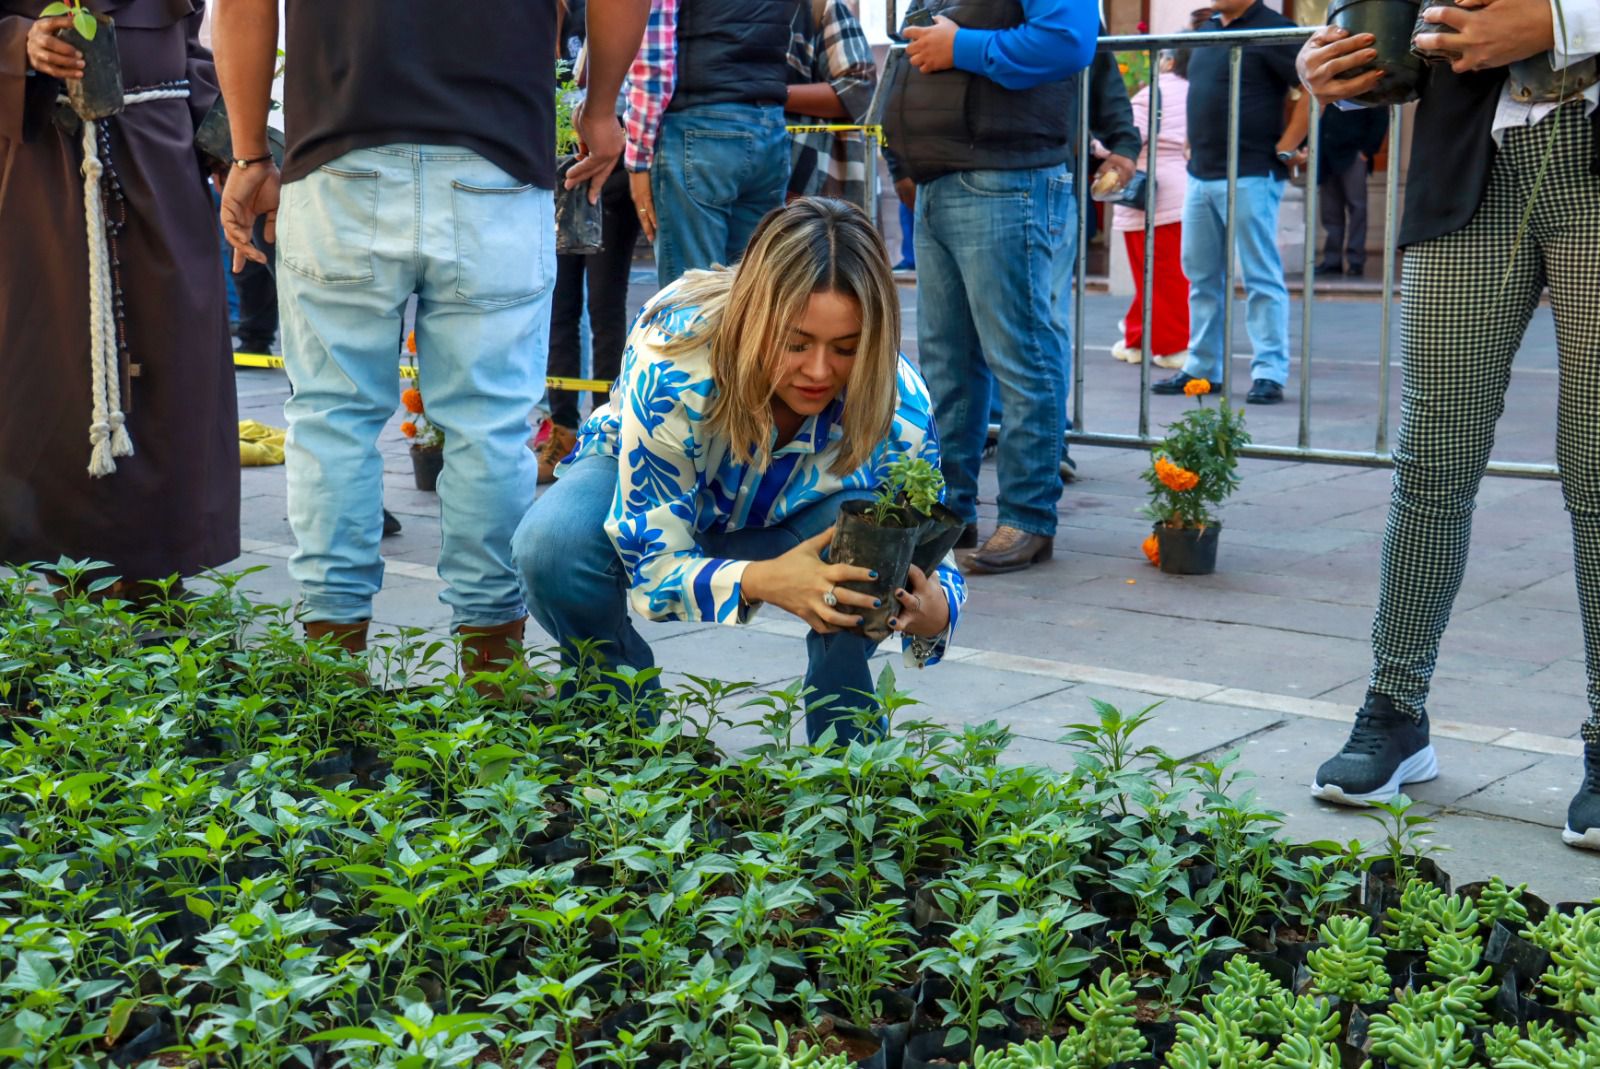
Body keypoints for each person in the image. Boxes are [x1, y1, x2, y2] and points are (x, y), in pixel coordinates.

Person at [213, 0, 648, 675]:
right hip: (496, 157)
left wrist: (247, 152)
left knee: (333, 419)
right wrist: (600, 105)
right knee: (492, 426)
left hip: (337, 151)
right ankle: (491, 677)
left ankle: (334, 678)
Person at [1299, 1, 1600, 849]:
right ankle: (1394, 712)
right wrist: (1332, 61)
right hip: (1469, 160)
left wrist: (1561, 22)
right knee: (1432, 458)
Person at [513, 198, 966, 745]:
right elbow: (655, 570)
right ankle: (615, 720)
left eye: (845, 349)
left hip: (799, 519)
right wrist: (761, 581)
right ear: (754, 320)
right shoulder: (675, 355)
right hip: (643, 486)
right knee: (553, 544)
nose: (819, 372)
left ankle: (851, 761)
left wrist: (934, 610)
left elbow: (932, 558)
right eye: (795, 343)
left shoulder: (900, 402)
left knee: (871, 553)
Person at [0, 0, 239, 602]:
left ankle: (160, 570)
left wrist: (232, 142)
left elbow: (190, 54)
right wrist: (19, 45)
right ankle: (67, 576)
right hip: (43, 174)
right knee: (55, 370)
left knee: (173, 364)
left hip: (164, 175)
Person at [881, 0, 1101, 575]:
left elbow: (1068, 42)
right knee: (948, 365)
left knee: (1022, 356)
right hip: (947, 179)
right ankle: (948, 512)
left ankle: (1028, 518)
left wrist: (962, 49)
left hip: (1007, 179)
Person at [1152, 0, 1309, 407]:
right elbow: (1202, 92)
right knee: (1201, 277)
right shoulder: (1206, 32)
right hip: (1201, 174)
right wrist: (1190, 139)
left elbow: (1314, 87)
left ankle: (1269, 373)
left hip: (1251, 171)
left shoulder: (1275, 29)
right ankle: (1203, 368)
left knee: (1260, 277)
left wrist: (1288, 145)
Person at [539, 0, 644, 485]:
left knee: (605, 309)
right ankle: (561, 428)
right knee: (558, 307)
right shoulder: (543, 17)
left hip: (609, 175)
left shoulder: (601, 12)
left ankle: (607, 431)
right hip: (554, 177)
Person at [624, 0, 800, 288]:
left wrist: (637, 158)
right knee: (754, 297)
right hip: (767, 122)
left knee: (693, 301)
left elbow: (652, 62)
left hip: (698, 124)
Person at [1111, 48, 1193, 370]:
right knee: (1171, 276)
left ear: (1170, 61)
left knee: (1154, 276)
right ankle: (1138, 336)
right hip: (1186, 191)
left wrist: (1099, 145)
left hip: (1151, 198)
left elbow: (1126, 138)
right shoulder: (1199, 91)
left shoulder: (1153, 94)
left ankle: (1171, 345)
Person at [785, 0, 877, 206]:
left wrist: (775, 94)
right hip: (758, 173)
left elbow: (860, 88)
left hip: (819, 183)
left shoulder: (822, 8)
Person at [1314, 102, 1388, 277]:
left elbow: (1379, 115)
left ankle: (1356, 260)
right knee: (1330, 212)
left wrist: (1366, 151)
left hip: (1353, 153)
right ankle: (1332, 260)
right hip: (1327, 154)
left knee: (1357, 208)